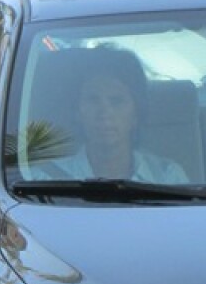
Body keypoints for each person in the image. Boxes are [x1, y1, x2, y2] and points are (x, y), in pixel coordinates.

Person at [39, 48, 188, 183]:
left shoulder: (167, 178)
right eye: (93, 100)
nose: (104, 113)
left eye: (117, 101)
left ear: (136, 114)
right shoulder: (45, 179)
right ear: (77, 112)